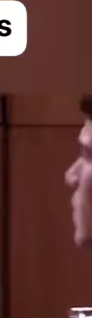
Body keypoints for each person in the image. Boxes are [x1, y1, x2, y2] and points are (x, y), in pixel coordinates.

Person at [65, 95, 92, 246]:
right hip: (88, 167)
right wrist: (76, 169)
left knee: (81, 200)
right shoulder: (88, 127)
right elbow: (86, 156)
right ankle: (85, 232)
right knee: (80, 200)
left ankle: (85, 232)